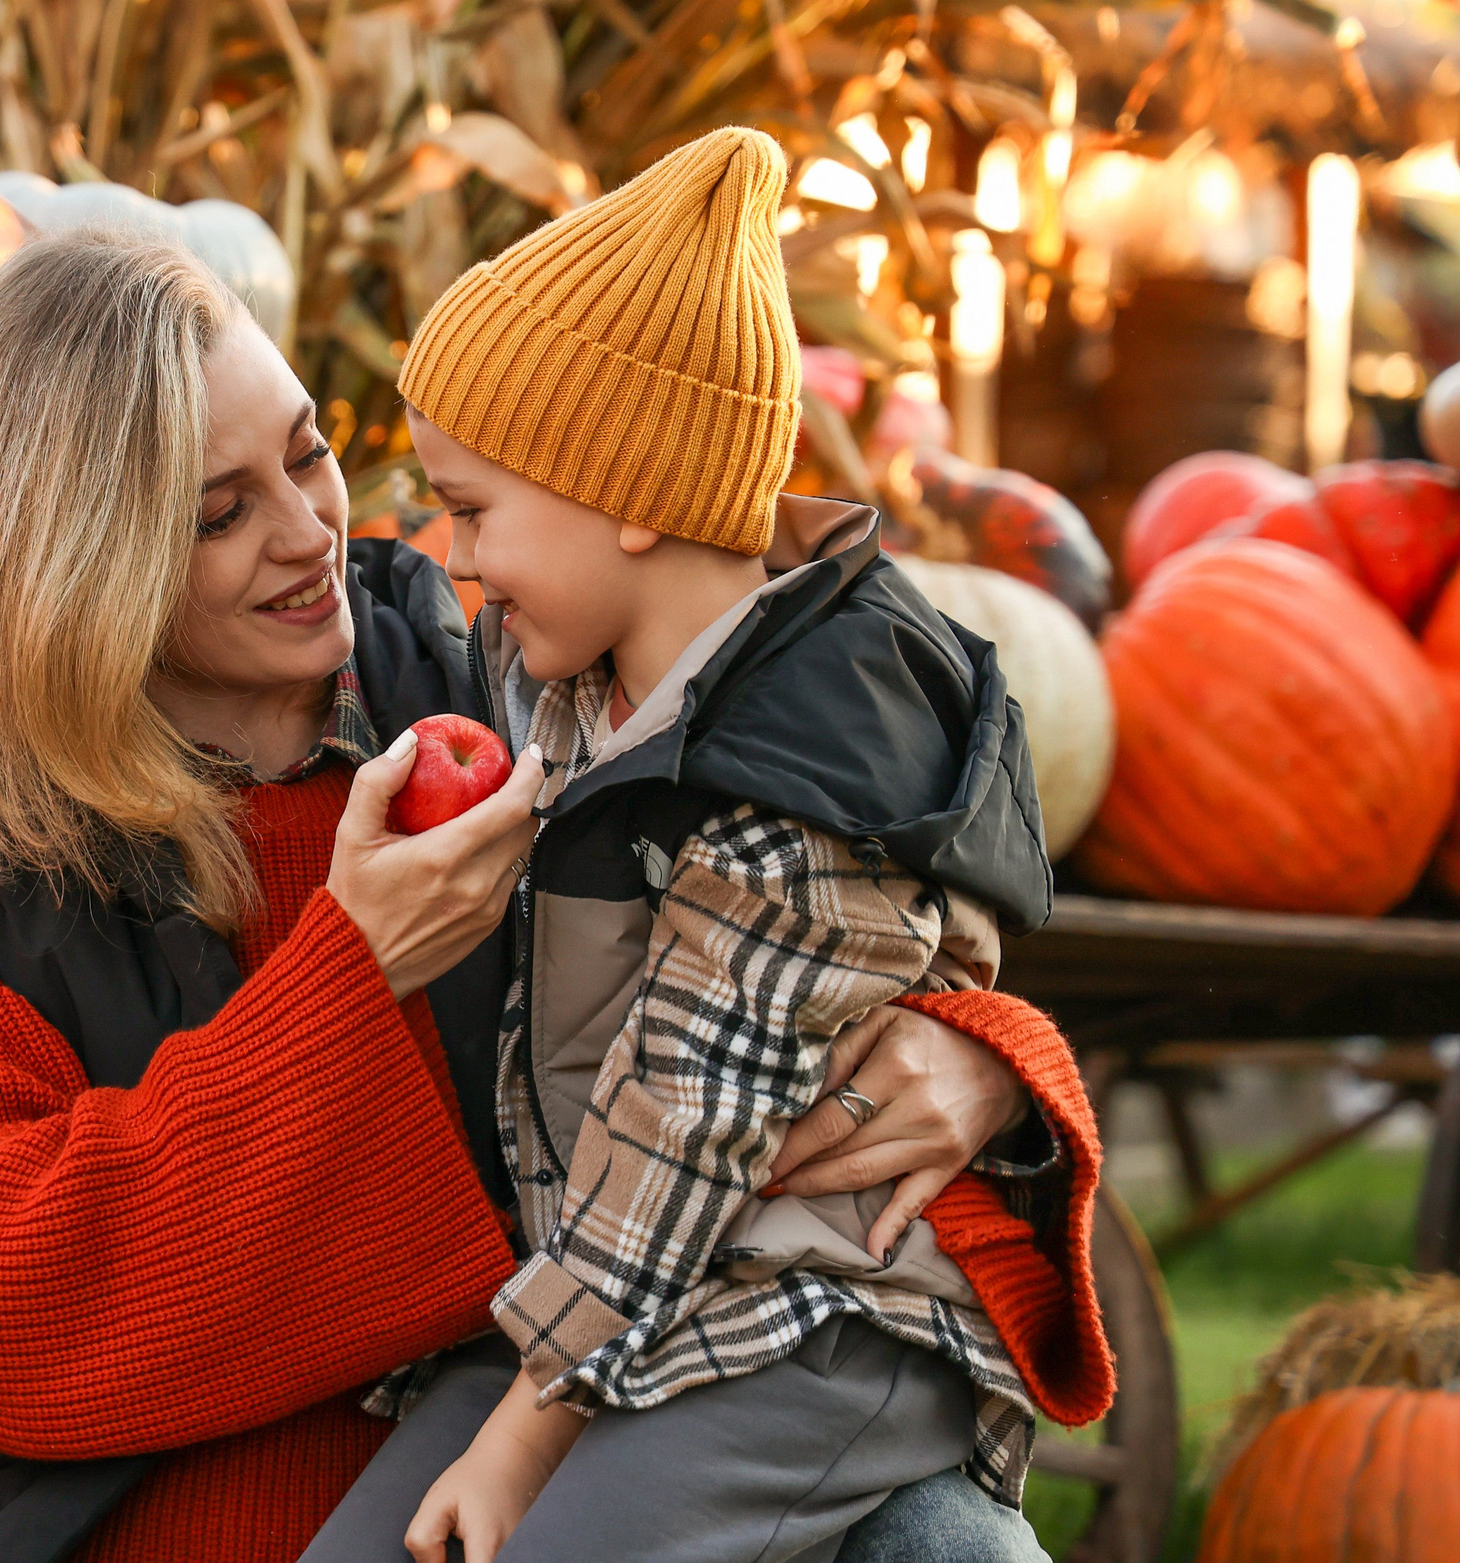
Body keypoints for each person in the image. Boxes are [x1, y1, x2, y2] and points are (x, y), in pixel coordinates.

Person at [0, 228, 1080, 1563]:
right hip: (191, 1504)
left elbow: (790, 915)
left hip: (603, 1408)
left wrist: (985, 1060)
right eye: (219, 514)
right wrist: (348, 978)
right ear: (71, 570)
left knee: (949, 1550)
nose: (308, 536)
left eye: (307, 454)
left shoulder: (512, 680)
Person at [295, 130, 1111, 1563]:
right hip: (623, 1301)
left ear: (627, 492)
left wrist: (521, 1437)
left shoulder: (803, 790)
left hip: (823, 1322)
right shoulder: (566, 682)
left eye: (477, 509)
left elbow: (685, 1131)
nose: (458, 556)